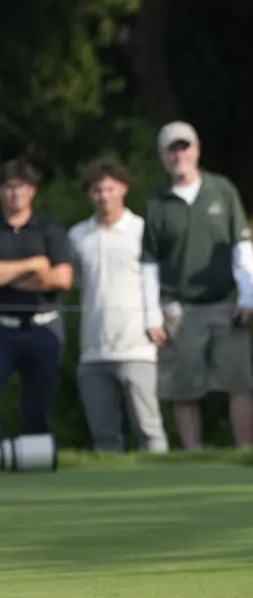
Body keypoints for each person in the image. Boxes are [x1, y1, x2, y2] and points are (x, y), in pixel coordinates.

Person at [141, 121, 253, 449]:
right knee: (184, 389)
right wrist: (151, 315)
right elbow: (148, 264)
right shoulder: (156, 203)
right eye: (172, 149)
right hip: (178, 307)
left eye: (184, 147)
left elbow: (242, 246)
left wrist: (249, 295)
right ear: (163, 156)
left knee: (239, 383)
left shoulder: (222, 190)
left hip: (225, 303)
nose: (179, 155)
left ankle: (246, 454)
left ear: (197, 150)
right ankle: (193, 457)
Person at [68, 159, 168, 454]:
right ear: (90, 195)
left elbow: (159, 283)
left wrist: (157, 320)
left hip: (137, 346)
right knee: (104, 436)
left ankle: (164, 490)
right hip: (93, 350)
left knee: (149, 431)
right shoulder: (77, 236)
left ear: (123, 189)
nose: (104, 196)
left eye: (110, 189)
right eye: (97, 190)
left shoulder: (141, 230)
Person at [0, 159, 73, 438]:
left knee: (38, 402)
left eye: (20, 187)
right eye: (7, 187)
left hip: (44, 326)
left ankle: (34, 456)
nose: (14, 193)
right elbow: (44, 270)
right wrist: (33, 264)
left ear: (32, 191)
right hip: (2, 327)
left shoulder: (50, 230)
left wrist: (8, 277)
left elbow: (62, 279)